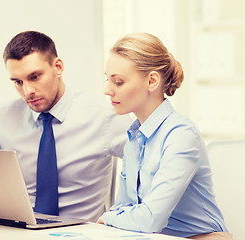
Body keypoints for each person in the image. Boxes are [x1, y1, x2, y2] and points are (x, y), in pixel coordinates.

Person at [0, 31, 131, 221]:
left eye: (35, 77)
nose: (28, 91)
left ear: (58, 67)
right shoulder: (4, 117)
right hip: (18, 232)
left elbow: (151, 168)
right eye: (18, 82)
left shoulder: (105, 117)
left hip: (81, 234)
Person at [98, 32, 231, 239]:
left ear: (152, 81)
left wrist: (107, 218)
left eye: (119, 82)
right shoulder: (133, 138)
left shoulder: (181, 135)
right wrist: (112, 217)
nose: (107, 90)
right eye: (108, 80)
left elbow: (150, 219)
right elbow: (122, 209)